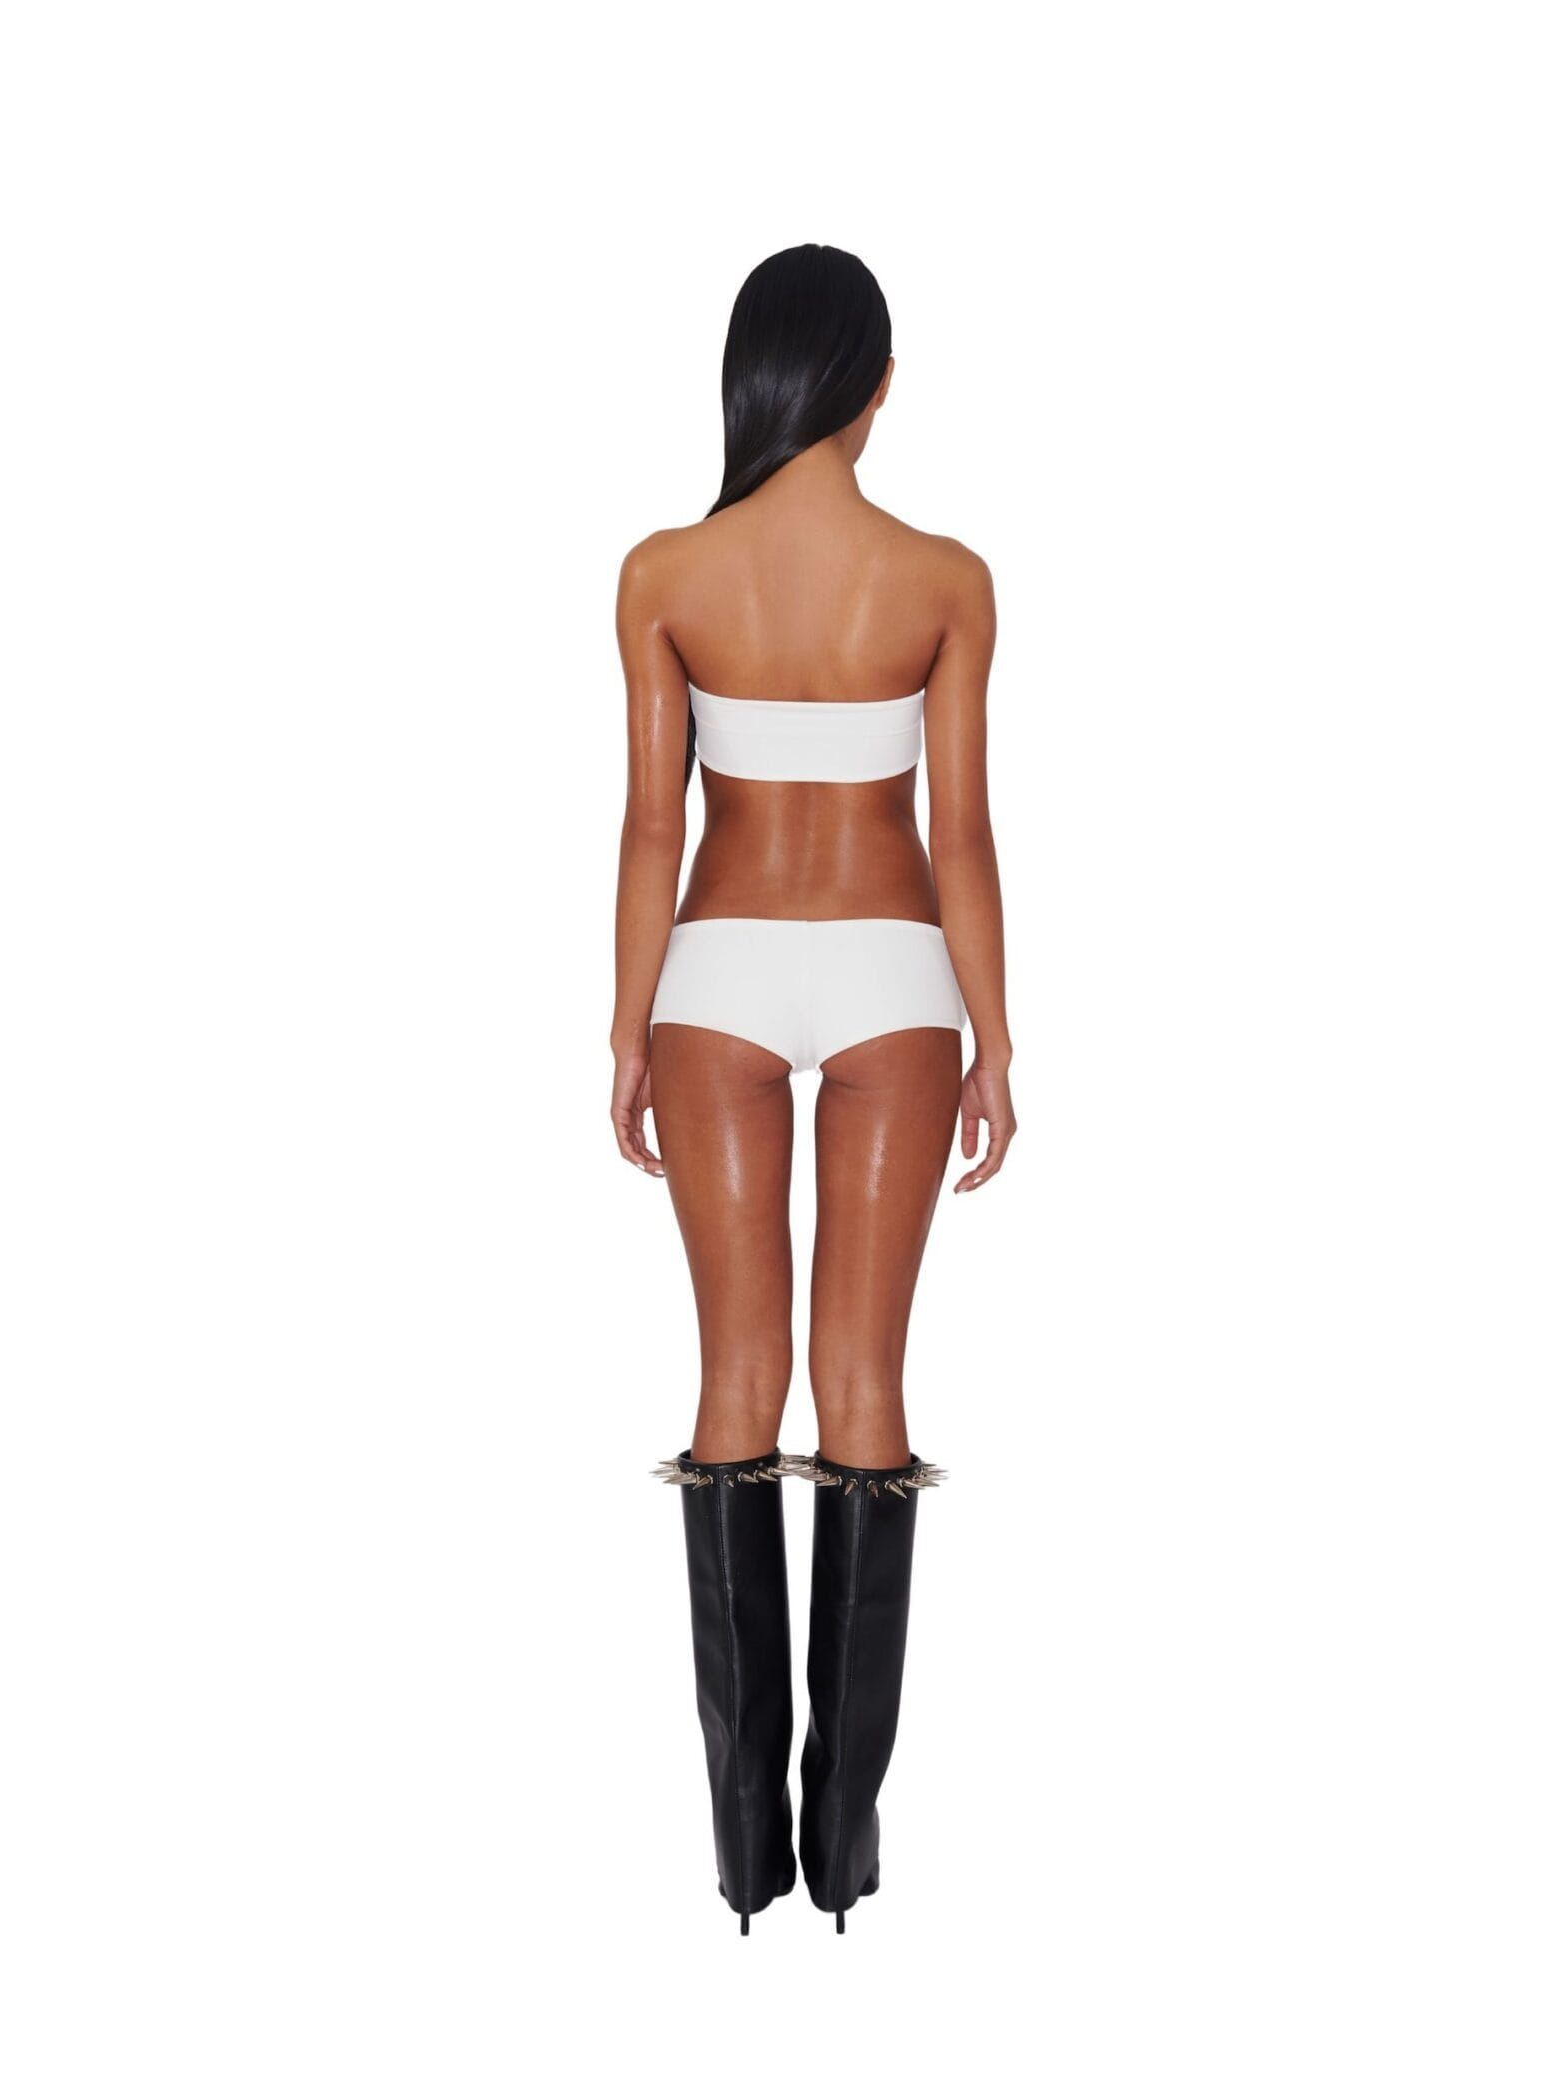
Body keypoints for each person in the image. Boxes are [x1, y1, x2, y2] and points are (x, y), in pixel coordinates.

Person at [610, 244, 1015, 1933]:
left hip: (712, 970)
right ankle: (843, 1858)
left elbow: (653, 826)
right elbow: (962, 832)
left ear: (753, 375)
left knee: (734, 1377)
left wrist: (625, 1031)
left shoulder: (664, 571)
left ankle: (743, 1867)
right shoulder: (944, 577)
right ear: (878, 382)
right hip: (894, 972)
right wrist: (999, 1037)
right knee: (863, 1380)